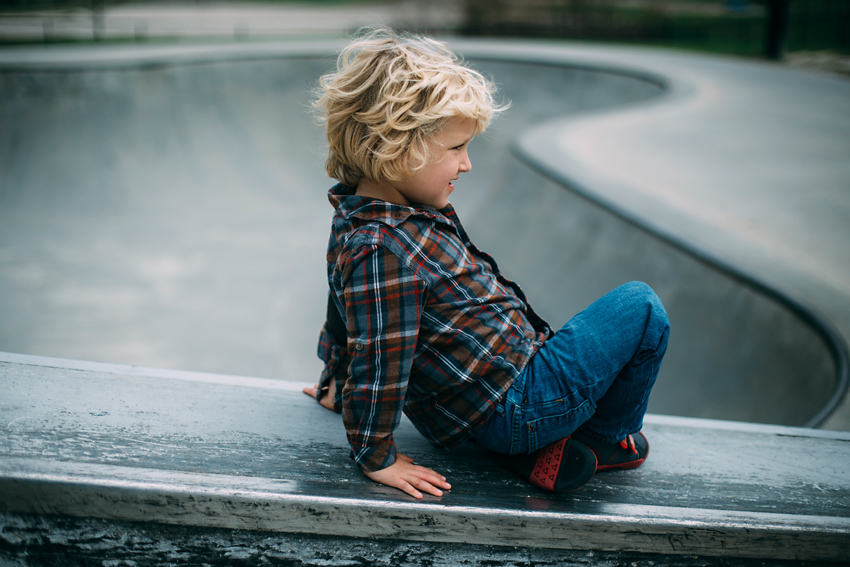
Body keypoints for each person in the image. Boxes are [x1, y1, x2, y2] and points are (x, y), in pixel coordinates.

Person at [303, 28, 670, 500]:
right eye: (456, 148)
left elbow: (344, 310)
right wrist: (376, 455)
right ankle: (602, 440)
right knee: (641, 308)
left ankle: (530, 450)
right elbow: (380, 355)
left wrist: (333, 378)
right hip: (516, 405)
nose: (467, 164)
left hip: (479, 408)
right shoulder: (384, 250)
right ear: (396, 149)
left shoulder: (361, 222)